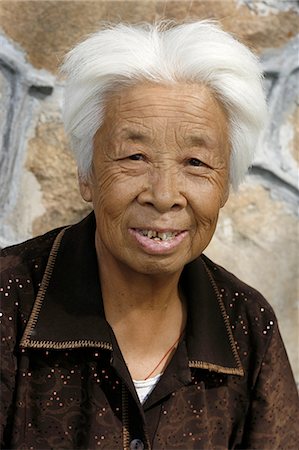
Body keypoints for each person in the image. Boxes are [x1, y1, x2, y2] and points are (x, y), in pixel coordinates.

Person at [0, 20, 298, 450]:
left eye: (196, 162)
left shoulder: (248, 327)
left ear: (226, 185)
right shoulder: (10, 300)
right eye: (135, 156)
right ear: (87, 174)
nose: (163, 196)